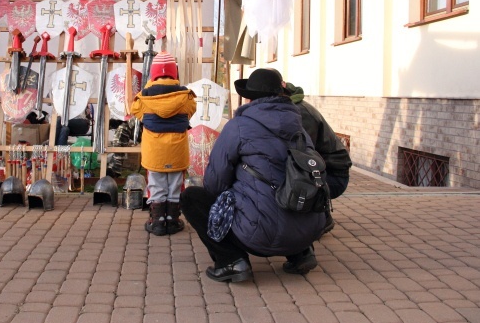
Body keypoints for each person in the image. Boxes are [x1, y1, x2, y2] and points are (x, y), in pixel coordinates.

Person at [180, 68, 326, 282]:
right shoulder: (299, 126)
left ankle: (231, 261)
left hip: (260, 235)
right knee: (291, 183)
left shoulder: (239, 126)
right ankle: (301, 254)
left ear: (249, 98)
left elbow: (215, 181)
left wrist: (230, 194)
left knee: (192, 198)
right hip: (309, 230)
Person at [270, 69, 353, 233]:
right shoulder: (287, 108)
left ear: (282, 86)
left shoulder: (299, 113)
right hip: (322, 169)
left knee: (282, 174)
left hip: (333, 175)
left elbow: (302, 157)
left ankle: (319, 216)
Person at [130, 52, 197, 236]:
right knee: (175, 184)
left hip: (154, 152)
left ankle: (158, 222)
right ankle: (173, 221)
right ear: (175, 73)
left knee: (156, 185)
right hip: (177, 151)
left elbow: (135, 110)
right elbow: (191, 111)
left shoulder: (144, 98)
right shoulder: (186, 96)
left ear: (153, 73)